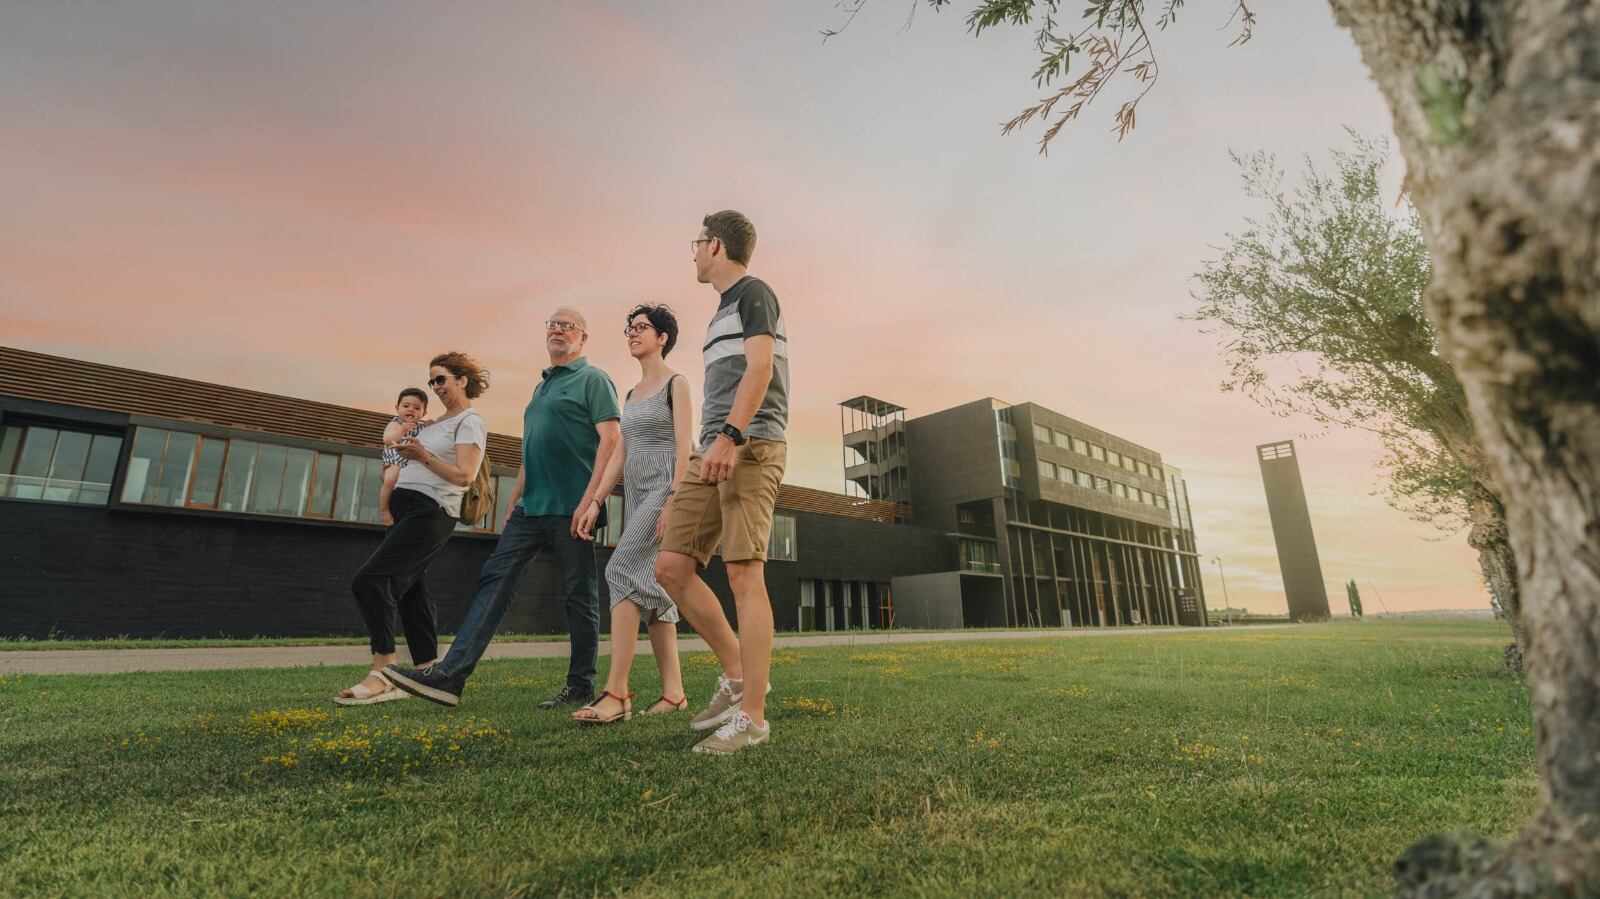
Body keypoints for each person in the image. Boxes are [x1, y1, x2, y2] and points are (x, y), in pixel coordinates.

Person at [386, 307, 622, 708]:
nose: (558, 331)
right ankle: (450, 676)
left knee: (578, 596)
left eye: (568, 326)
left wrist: (591, 500)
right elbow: (532, 448)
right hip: (530, 508)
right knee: (494, 582)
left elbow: (611, 439)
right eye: (553, 325)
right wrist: (513, 499)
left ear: (583, 338)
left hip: (573, 506)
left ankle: (580, 686)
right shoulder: (541, 388)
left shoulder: (593, 379)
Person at [655, 210, 789, 755]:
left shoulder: (755, 293)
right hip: (712, 448)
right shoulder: (720, 312)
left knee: (743, 573)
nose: (693, 252)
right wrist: (710, 446)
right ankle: (737, 676)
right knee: (671, 566)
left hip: (750, 444)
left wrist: (731, 437)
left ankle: (752, 717)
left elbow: (761, 369)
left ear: (715, 245)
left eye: (697, 242)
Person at [335, 353, 489, 706]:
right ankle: (426, 671)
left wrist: (422, 457)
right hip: (406, 511)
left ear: (462, 380)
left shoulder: (470, 421)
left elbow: (464, 475)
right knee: (411, 593)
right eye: (432, 381)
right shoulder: (433, 423)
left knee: (369, 580)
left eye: (441, 379)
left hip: (430, 511)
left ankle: (383, 671)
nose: (435, 387)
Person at [571, 304, 695, 724]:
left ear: (662, 338)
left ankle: (616, 693)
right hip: (638, 492)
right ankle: (674, 694)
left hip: (665, 488)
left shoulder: (676, 384)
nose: (633, 333)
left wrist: (674, 499)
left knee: (620, 569)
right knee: (653, 586)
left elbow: (685, 447)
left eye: (642, 327)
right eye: (630, 328)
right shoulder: (631, 394)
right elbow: (621, 452)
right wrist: (596, 500)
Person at [378, 388, 432, 527]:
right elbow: (387, 439)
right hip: (395, 458)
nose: (411, 410)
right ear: (397, 408)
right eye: (406, 406)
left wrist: (429, 425)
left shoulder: (420, 427)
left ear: (424, 413)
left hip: (409, 462)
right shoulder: (396, 423)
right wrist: (402, 430)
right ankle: (384, 510)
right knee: (390, 480)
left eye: (417, 408)